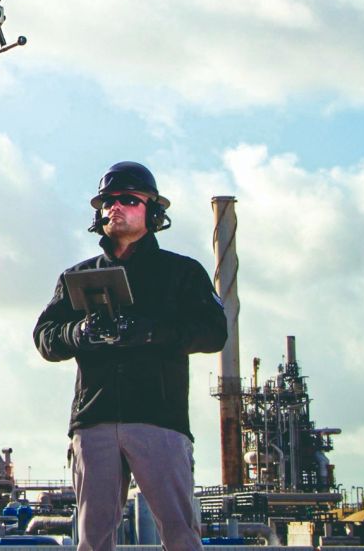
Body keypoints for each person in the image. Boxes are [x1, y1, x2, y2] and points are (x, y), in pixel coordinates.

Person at [33, 161, 227, 551]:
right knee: (92, 540)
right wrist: (78, 333)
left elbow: (214, 332)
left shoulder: (182, 272)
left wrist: (151, 332)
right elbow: (44, 336)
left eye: (128, 199)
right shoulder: (76, 277)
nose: (115, 207)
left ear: (152, 211)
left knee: (180, 534)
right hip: (94, 420)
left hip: (158, 419)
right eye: (107, 201)